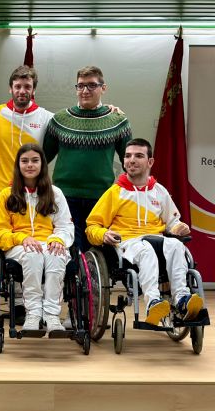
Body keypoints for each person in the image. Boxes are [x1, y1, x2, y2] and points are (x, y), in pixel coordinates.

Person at [86, 138, 203, 326]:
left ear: (150, 162)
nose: (131, 160)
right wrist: (103, 234)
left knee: (175, 244)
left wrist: (178, 228)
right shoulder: (114, 193)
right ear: (123, 161)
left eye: (138, 156)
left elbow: (172, 221)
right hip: (128, 243)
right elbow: (92, 226)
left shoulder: (160, 191)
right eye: (128, 156)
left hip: (157, 240)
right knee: (145, 249)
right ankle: (153, 304)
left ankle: (181, 300)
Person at [43, 65, 132, 251]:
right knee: (69, 251)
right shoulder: (59, 120)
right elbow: (42, 159)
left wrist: (130, 195)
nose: (85, 91)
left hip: (101, 198)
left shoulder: (118, 120)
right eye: (81, 86)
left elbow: (130, 163)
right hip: (64, 197)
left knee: (100, 252)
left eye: (92, 85)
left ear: (103, 88)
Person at [0, 144, 74, 332]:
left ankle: (52, 316)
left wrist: (58, 239)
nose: (30, 165)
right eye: (25, 161)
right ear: (18, 165)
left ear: (42, 164)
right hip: (19, 246)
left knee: (56, 254)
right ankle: (33, 314)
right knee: (32, 253)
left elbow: (65, 225)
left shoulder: (55, 193)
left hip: (49, 243)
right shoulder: (7, 195)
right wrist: (22, 238)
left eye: (35, 160)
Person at [0, 65, 54, 202]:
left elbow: (72, 120)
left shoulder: (47, 117)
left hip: (32, 192)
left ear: (34, 89)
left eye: (27, 87)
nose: (22, 91)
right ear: (10, 88)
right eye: (17, 86)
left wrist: (108, 109)